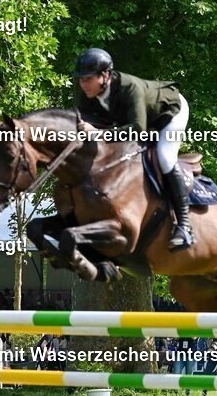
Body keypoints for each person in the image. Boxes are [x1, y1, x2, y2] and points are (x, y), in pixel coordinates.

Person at [73, 47, 194, 251]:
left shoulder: (129, 87)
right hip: (135, 119)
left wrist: (99, 134)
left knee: (165, 157)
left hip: (169, 113)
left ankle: (184, 226)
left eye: (88, 78)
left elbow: (138, 130)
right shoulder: (86, 92)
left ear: (105, 75)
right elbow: (84, 121)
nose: (83, 84)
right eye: (81, 79)